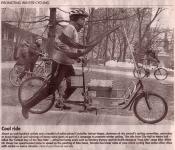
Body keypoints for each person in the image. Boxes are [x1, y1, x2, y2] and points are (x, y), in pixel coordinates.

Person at [21, 9, 92, 119]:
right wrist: (75, 56)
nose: (84, 21)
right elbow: (60, 44)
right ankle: (26, 106)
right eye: (82, 19)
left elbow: (71, 47)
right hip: (60, 63)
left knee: (75, 83)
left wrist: (79, 56)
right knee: (50, 89)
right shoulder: (70, 28)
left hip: (66, 63)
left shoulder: (74, 30)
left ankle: (60, 101)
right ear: (75, 19)